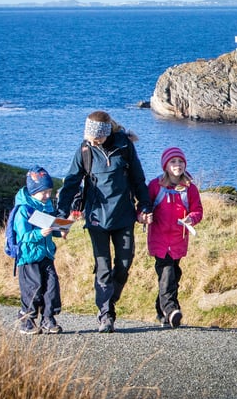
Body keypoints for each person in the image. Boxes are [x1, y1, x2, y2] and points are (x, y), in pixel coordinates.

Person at [57, 110, 151, 333]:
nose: (91, 139)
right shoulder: (84, 150)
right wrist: (61, 220)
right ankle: (106, 314)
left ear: (105, 133)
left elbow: (138, 178)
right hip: (96, 219)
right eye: (88, 135)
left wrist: (145, 206)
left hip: (124, 216)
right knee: (103, 268)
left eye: (95, 136)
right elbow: (70, 184)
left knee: (124, 264)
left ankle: (110, 300)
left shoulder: (125, 146)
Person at [146, 147, 203, 328]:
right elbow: (145, 206)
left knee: (174, 275)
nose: (177, 165)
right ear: (165, 166)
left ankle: (160, 311)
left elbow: (198, 211)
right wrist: (144, 215)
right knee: (167, 273)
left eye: (180, 161)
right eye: (173, 162)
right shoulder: (155, 186)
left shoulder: (189, 188)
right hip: (160, 240)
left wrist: (191, 219)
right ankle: (171, 310)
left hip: (179, 240)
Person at [13, 167, 64, 335]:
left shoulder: (46, 206)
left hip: (46, 253)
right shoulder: (23, 209)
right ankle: (26, 320)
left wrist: (60, 230)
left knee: (52, 287)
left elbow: (52, 226)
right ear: (33, 192)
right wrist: (38, 233)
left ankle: (48, 318)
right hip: (28, 256)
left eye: (49, 191)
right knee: (32, 289)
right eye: (44, 192)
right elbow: (22, 235)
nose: (47, 196)